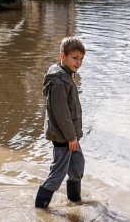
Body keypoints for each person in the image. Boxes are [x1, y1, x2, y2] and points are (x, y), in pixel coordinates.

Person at [35, 36, 86, 208]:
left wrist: (74, 136)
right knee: (57, 174)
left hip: (70, 136)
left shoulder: (66, 74)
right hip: (63, 136)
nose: (78, 62)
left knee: (77, 166)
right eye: (74, 58)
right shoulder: (58, 82)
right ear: (62, 56)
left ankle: (74, 201)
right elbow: (62, 114)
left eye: (80, 59)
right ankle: (41, 208)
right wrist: (71, 137)